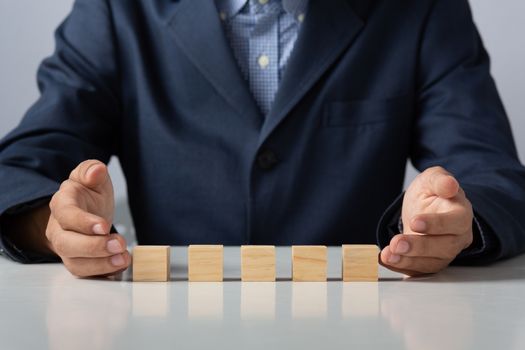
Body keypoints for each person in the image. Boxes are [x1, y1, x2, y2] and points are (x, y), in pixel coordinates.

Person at [0, 0, 524, 278]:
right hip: (169, 328)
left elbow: (495, 178)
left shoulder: (422, 8)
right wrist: (53, 224)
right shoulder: (117, 9)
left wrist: (454, 224)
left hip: (363, 327)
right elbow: (20, 167)